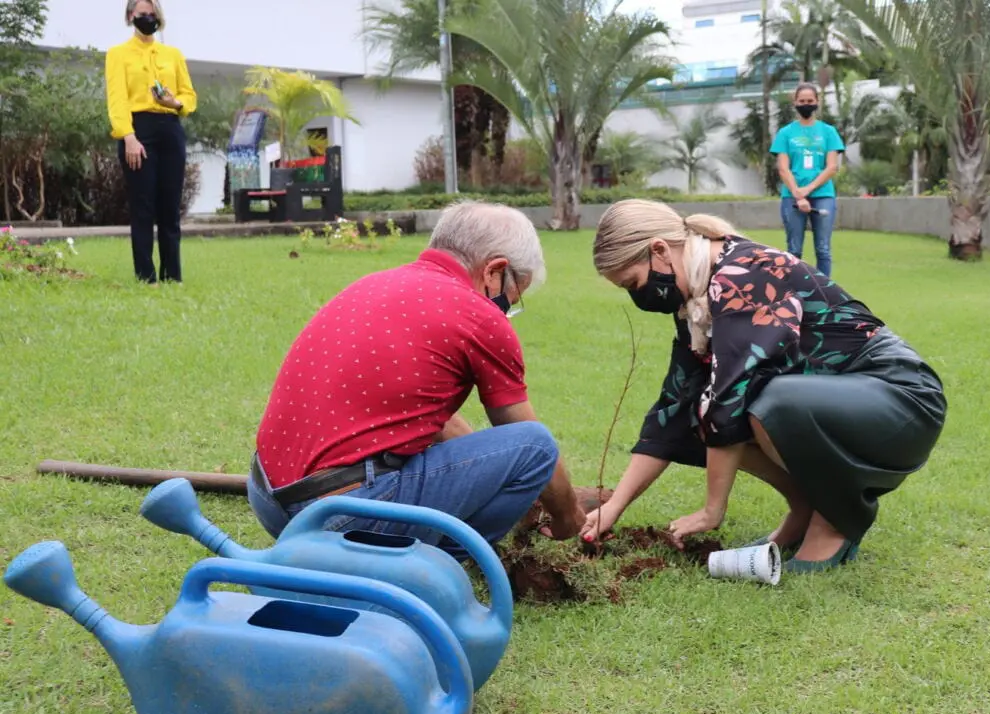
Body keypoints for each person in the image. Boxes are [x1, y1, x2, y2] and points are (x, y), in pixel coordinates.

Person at [581, 199, 946, 573]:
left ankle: (834, 520)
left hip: (902, 399)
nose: (637, 296)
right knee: (699, 407)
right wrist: (614, 506)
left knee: (768, 403)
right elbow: (675, 406)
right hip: (850, 399)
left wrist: (712, 509)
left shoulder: (740, 276)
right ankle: (804, 509)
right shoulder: (697, 302)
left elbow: (731, 395)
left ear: (659, 250)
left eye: (633, 283)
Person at [247, 201, 587, 560]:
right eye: (512, 297)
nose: (506, 310)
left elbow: (433, 416)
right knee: (537, 447)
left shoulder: (377, 284)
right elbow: (528, 442)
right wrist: (568, 517)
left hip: (270, 502)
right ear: (495, 271)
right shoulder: (481, 317)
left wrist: (493, 473)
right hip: (339, 516)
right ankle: (438, 562)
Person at [105, 1, 196, 284]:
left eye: (152, 13)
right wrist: (128, 136)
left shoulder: (173, 54)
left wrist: (175, 102)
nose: (148, 17)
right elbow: (117, 99)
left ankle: (173, 275)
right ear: (131, 15)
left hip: (170, 127)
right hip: (138, 130)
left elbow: (189, 96)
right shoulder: (118, 54)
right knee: (143, 206)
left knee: (170, 207)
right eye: (142, 13)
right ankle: (146, 276)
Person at [770, 82, 845, 278]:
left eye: (810, 101)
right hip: (792, 196)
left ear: (817, 102)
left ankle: (824, 292)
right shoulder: (785, 133)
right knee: (794, 250)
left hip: (823, 195)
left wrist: (808, 190)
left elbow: (832, 167)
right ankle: (796, 289)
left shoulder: (828, 132)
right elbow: (783, 168)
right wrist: (797, 193)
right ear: (795, 103)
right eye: (802, 101)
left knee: (823, 249)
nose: (806, 104)